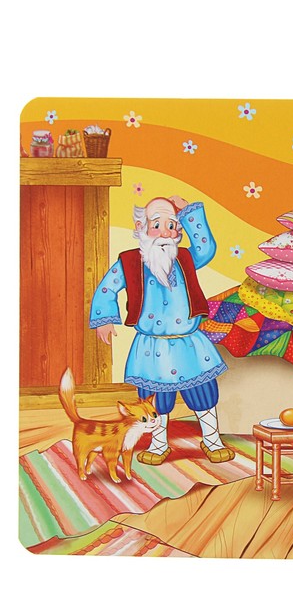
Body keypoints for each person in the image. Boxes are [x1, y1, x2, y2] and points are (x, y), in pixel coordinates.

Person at [89, 196, 234, 466]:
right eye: (157, 225)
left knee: (203, 392)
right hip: (151, 347)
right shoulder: (129, 262)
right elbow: (107, 288)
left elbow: (206, 247)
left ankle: (212, 439)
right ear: (141, 227)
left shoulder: (186, 258)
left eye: (171, 225)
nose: (165, 233)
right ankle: (159, 444)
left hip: (189, 344)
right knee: (155, 400)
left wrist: (188, 211)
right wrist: (104, 319)